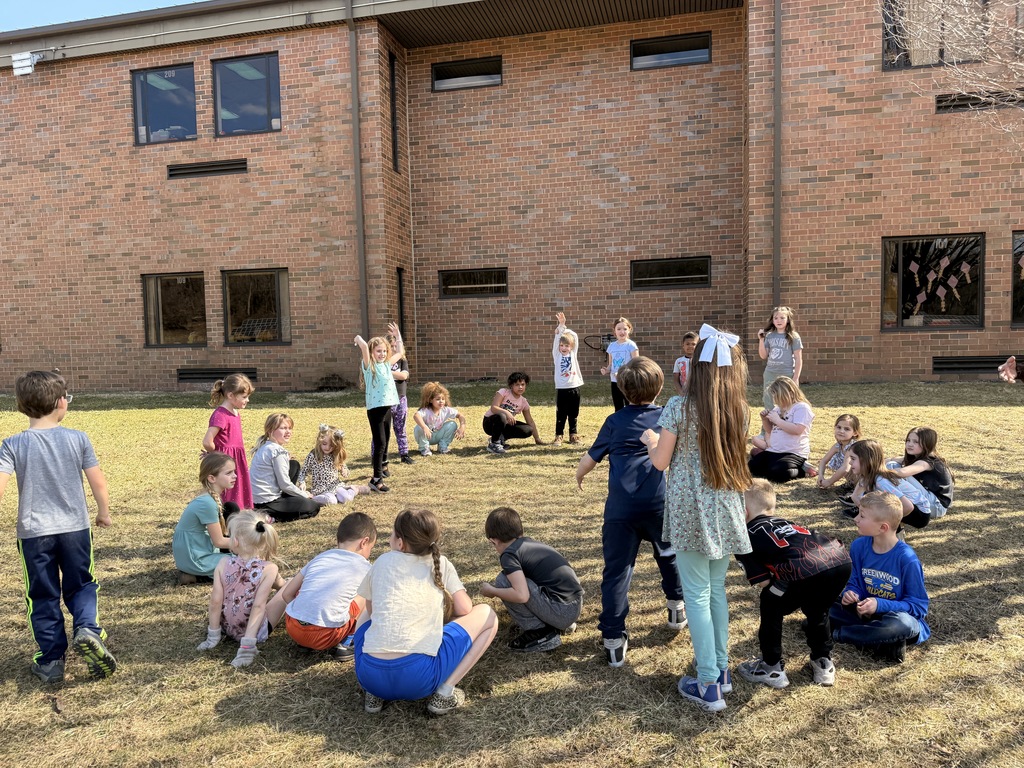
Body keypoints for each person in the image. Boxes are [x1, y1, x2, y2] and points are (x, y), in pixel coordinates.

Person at [641, 325, 752, 713]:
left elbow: (660, 462)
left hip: (691, 510)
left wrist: (651, 441)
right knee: (716, 590)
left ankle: (707, 683)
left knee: (698, 595)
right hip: (726, 505)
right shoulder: (740, 410)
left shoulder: (678, 407)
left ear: (696, 368)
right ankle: (721, 671)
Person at [0, 370, 117, 684]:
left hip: (34, 534)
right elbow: (97, 480)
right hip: (75, 529)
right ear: (61, 402)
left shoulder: (12, 444)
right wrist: (103, 512)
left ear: (21, 405)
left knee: (42, 594)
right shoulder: (78, 438)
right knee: (82, 584)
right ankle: (88, 629)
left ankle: (51, 661)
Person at [576, 356, 686, 668]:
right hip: (658, 503)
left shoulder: (614, 421)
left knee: (617, 570)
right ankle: (676, 606)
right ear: (660, 387)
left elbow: (590, 458)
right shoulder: (666, 416)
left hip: (620, 509)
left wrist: (579, 474)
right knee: (669, 555)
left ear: (622, 390)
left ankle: (613, 637)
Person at [353, 508, 498, 715]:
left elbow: (372, 611)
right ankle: (444, 693)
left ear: (400, 542)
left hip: (370, 676)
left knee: (366, 611)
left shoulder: (383, 561)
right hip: (419, 680)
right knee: (488, 615)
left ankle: (374, 695)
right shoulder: (441, 563)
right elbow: (465, 608)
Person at [734, 479, 852, 689]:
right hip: (840, 560)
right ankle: (823, 661)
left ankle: (771, 666)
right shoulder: (787, 522)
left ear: (743, 512)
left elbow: (763, 581)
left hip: (803, 568)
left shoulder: (744, 535)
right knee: (817, 608)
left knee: (770, 601)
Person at [829, 491, 930, 663]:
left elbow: (918, 607)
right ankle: (881, 640)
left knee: (901, 625)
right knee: (825, 602)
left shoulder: (907, 559)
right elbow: (855, 582)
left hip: (895, 618)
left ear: (883, 527)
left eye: (862, 516)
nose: (856, 519)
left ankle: (840, 634)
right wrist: (851, 593)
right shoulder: (859, 546)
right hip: (864, 613)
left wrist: (880, 604)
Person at [265, 512, 376, 659]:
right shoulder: (365, 567)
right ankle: (347, 642)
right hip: (327, 634)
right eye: (371, 548)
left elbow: (286, 594)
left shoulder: (319, 558)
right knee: (367, 591)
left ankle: (305, 639)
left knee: (304, 586)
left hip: (294, 628)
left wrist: (305, 613)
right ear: (364, 542)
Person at [479, 506, 584, 653]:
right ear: (520, 532)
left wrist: (493, 591)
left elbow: (521, 595)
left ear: (494, 541)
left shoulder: (509, 555)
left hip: (562, 611)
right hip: (574, 606)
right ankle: (556, 624)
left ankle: (540, 632)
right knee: (519, 579)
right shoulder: (530, 544)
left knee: (503, 581)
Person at [196, 510, 281, 668]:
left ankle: (215, 637)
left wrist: (213, 636)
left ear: (235, 541)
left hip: (227, 628)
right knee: (286, 590)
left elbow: (215, 601)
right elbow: (258, 606)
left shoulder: (223, 563)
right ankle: (247, 647)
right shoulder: (269, 568)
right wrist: (247, 647)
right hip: (253, 633)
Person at [354, 322, 405, 492]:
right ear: (372, 353)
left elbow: (400, 353)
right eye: (378, 351)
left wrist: (397, 336)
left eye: (384, 351)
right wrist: (358, 339)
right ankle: (376, 480)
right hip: (375, 410)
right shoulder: (370, 367)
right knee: (380, 443)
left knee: (385, 441)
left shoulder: (386, 365)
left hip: (387, 408)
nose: (382, 354)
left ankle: (380, 472)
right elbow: (363, 346)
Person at [173, 452, 236, 584]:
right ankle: (197, 575)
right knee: (246, 563)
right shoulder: (207, 503)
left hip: (196, 554)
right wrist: (248, 544)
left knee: (231, 508)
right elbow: (219, 542)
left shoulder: (208, 498)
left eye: (234, 472)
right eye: (229, 473)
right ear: (212, 478)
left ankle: (199, 574)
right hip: (196, 559)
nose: (234, 476)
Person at [250, 413, 322, 521]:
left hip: (256, 500)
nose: (288, 432)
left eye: (289, 428)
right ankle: (270, 517)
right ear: (270, 430)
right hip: (268, 502)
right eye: (283, 428)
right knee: (313, 507)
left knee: (294, 465)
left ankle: (284, 502)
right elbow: (284, 484)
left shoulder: (265, 446)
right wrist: (303, 494)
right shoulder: (277, 451)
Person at [845, 439, 932, 529]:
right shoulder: (866, 476)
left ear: (866, 460)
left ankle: (893, 531)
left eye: (853, 458)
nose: (850, 462)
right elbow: (855, 496)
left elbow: (908, 506)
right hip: (908, 507)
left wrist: (888, 523)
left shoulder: (881, 481)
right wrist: (867, 514)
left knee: (878, 513)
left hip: (920, 513)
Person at [202, 373, 255, 510]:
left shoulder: (235, 413)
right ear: (231, 395)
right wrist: (215, 456)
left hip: (236, 459)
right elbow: (207, 441)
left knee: (238, 488)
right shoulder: (220, 415)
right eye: (244, 397)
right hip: (225, 461)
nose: (247, 400)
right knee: (227, 491)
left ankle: (238, 514)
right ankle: (226, 515)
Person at [748, 377, 816, 483]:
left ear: (790, 393)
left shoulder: (801, 407)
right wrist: (765, 420)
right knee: (752, 466)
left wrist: (777, 420)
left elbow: (797, 430)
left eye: (777, 396)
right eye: (774, 395)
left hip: (793, 453)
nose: (775, 399)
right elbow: (770, 431)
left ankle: (803, 471)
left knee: (779, 472)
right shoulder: (777, 409)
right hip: (774, 450)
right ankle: (771, 469)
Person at [884, 427, 953, 520]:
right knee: (892, 464)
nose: (910, 444)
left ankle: (888, 500)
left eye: (916, 442)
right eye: (908, 440)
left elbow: (902, 472)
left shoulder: (929, 462)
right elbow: (891, 460)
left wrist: (878, 471)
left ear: (927, 444)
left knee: (892, 468)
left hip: (936, 507)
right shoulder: (915, 458)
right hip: (928, 501)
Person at [370, 333, 416, 465]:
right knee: (382, 431)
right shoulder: (382, 363)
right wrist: (386, 371)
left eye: (396, 346)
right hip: (386, 400)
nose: (394, 349)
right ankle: (376, 457)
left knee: (400, 427)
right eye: (391, 346)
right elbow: (378, 372)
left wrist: (387, 372)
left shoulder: (401, 360)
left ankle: (404, 454)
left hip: (400, 398)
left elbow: (404, 376)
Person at [298, 424, 370, 506]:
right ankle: (311, 498)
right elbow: (303, 472)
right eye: (324, 444)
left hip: (336, 486)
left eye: (331, 445)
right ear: (319, 441)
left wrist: (344, 470)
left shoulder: (335, 455)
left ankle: (355, 489)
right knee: (332, 501)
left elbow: (345, 469)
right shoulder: (313, 455)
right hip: (320, 489)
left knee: (346, 498)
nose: (327, 448)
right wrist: (302, 482)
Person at [482, 372, 544, 454]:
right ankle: (494, 444)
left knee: (528, 430)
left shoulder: (523, 402)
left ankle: (500, 439)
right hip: (490, 424)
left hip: (505, 425)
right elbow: (494, 408)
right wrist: (507, 413)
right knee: (502, 416)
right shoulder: (503, 392)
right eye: (517, 384)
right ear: (511, 385)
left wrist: (537, 438)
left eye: (523, 384)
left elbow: (530, 421)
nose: (520, 387)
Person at [757, 306, 803, 413]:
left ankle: (785, 422)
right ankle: (769, 423)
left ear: (788, 320)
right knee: (769, 401)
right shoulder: (769, 336)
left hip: (787, 374)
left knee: (787, 400)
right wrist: (761, 340)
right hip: (770, 373)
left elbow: (798, 358)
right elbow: (763, 356)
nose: (779, 321)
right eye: (776, 318)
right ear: (772, 320)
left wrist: (796, 377)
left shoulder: (794, 336)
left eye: (782, 318)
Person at [552, 311, 584, 445]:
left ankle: (573, 434)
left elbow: (574, 336)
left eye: (566, 345)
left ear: (571, 347)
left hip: (574, 387)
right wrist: (561, 327)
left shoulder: (573, 354)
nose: (563, 348)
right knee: (561, 413)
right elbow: (557, 339)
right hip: (562, 388)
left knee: (573, 413)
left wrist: (565, 329)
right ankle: (559, 435)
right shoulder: (557, 355)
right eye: (562, 345)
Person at [412, 382, 466, 456]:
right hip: (427, 436)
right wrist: (424, 427)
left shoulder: (445, 410)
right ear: (430, 400)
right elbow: (416, 415)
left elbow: (460, 415)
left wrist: (462, 427)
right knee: (418, 427)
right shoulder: (426, 410)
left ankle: (442, 446)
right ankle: (424, 448)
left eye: (443, 399)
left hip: (438, 435)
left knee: (452, 424)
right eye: (438, 399)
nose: (441, 401)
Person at [600, 317, 640, 411]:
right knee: (618, 407)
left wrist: (623, 373)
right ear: (614, 330)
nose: (622, 332)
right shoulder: (612, 346)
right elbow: (611, 364)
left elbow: (637, 365)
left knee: (630, 406)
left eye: (625, 329)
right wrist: (606, 370)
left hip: (628, 382)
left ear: (629, 329)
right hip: (615, 382)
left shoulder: (631, 345)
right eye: (619, 329)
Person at [816, 414, 861, 490]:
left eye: (847, 429)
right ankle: (852, 485)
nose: (841, 431)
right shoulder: (838, 446)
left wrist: (829, 482)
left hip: (865, 482)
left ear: (855, 433)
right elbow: (823, 461)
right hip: (854, 483)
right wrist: (820, 476)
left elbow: (845, 469)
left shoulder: (853, 447)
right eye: (839, 427)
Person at [672, 331, 699, 396]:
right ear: (683, 346)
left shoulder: (700, 361)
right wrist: (681, 392)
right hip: (684, 394)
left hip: (698, 394)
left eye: (693, 344)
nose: (690, 346)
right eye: (687, 344)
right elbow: (676, 380)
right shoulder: (678, 361)